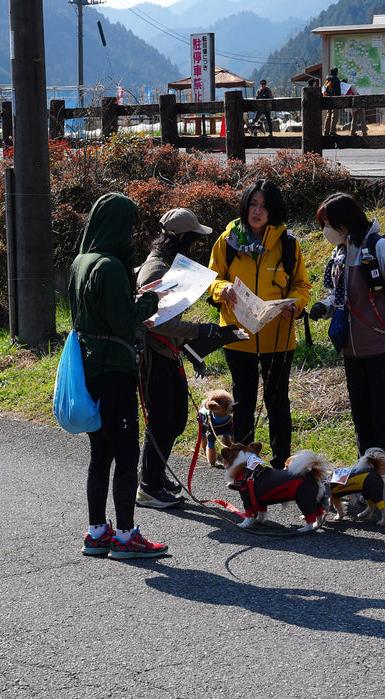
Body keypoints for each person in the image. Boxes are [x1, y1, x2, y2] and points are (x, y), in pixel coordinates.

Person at [69, 192, 169, 560]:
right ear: (115, 225)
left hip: (89, 367)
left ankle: (97, 532)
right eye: (129, 226)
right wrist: (151, 300)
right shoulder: (110, 266)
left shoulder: (82, 261)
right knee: (127, 455)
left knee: (101, 452)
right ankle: (126, 537)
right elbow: (125, 322)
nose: (131, 234)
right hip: (114, 369)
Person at [315, 191, 385, 503]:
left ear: (345, 223)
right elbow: (339, 295)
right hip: (353, 351)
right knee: (362, 418)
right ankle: (371, 485)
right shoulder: (339, 253)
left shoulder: (380, 248)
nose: (325, 231)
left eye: (328, 224)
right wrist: (324, 306)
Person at [207, 180, 311, 469]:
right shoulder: (227, 240)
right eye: (253, 204)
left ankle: (282, 464)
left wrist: (296, 304)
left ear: (273, 210)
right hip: (237, 334)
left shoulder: (288, 243)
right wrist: (222, 289)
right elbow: (212, 279)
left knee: (277, 401)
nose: (257, 211)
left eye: (264, 206)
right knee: (242, 401)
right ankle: (243, 465)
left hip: (277, 336)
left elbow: (302, 284)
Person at [134, 207, 228, 509]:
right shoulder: (156, 270)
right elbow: (158, 322)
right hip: (153, 355)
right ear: (182, 238)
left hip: (169, 353)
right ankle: (148, 486)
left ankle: (155, 476)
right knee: (161, 421)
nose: (196, 246)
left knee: (174, 420)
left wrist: (189, 349)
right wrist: (200, 331)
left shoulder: (169, 265)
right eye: (194, 240)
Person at [322, 68, 342, 135]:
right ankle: (332, 131)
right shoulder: (336, 79)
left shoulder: (328, 79)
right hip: (334, 99)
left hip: (328, 99)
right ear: (336, 72)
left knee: (328, 115)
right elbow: (337, 90)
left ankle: (325, 131)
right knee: (335, 115)